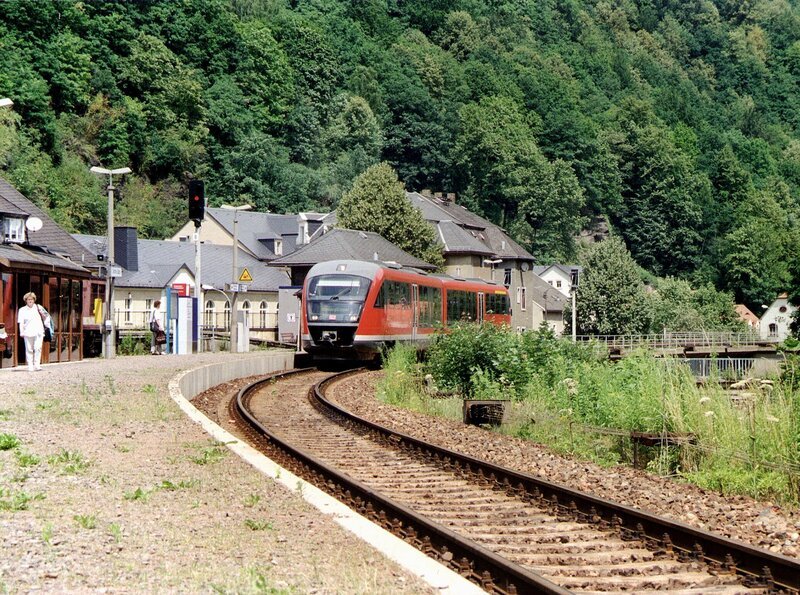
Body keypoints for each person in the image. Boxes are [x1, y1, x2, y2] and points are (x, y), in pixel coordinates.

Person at [17, 292, 46, 371]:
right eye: (28, 299)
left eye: (32, 299)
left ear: (34, 300)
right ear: (26, 300)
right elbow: (21, 322)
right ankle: (30, 365)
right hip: (28, 332)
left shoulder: (38, 307)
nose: (30, 301)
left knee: (38, 348)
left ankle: (37, 365)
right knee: (29, 349)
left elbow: (46, 316)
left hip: (38, 331)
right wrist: (21, 332)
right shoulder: (22, 310)